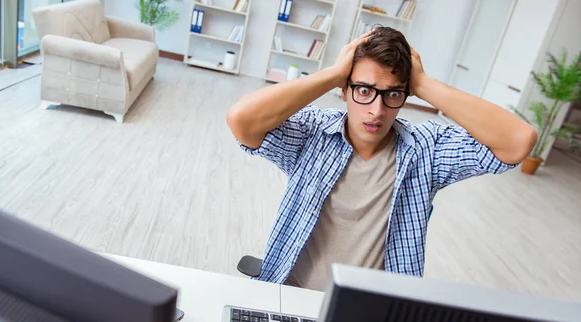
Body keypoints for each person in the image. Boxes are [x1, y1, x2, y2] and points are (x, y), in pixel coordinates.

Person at [226, 27, 536, 291]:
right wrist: (332, 74)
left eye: (392, 94)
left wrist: (425, 84)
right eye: (363, 90)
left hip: (366, 312)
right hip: (290, 292)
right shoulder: (313, 134)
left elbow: (518, 142)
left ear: (406, 93)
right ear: (345, 89)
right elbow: (242, 120)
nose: (377, 110)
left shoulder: (425, 151)